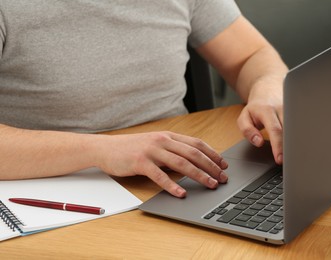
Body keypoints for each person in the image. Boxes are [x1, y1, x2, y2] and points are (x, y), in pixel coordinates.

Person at [0, 1, 288, 198]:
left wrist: (268, 85)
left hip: (180, 177)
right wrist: (101, 150)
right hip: (58, 191)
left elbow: (251, 56)